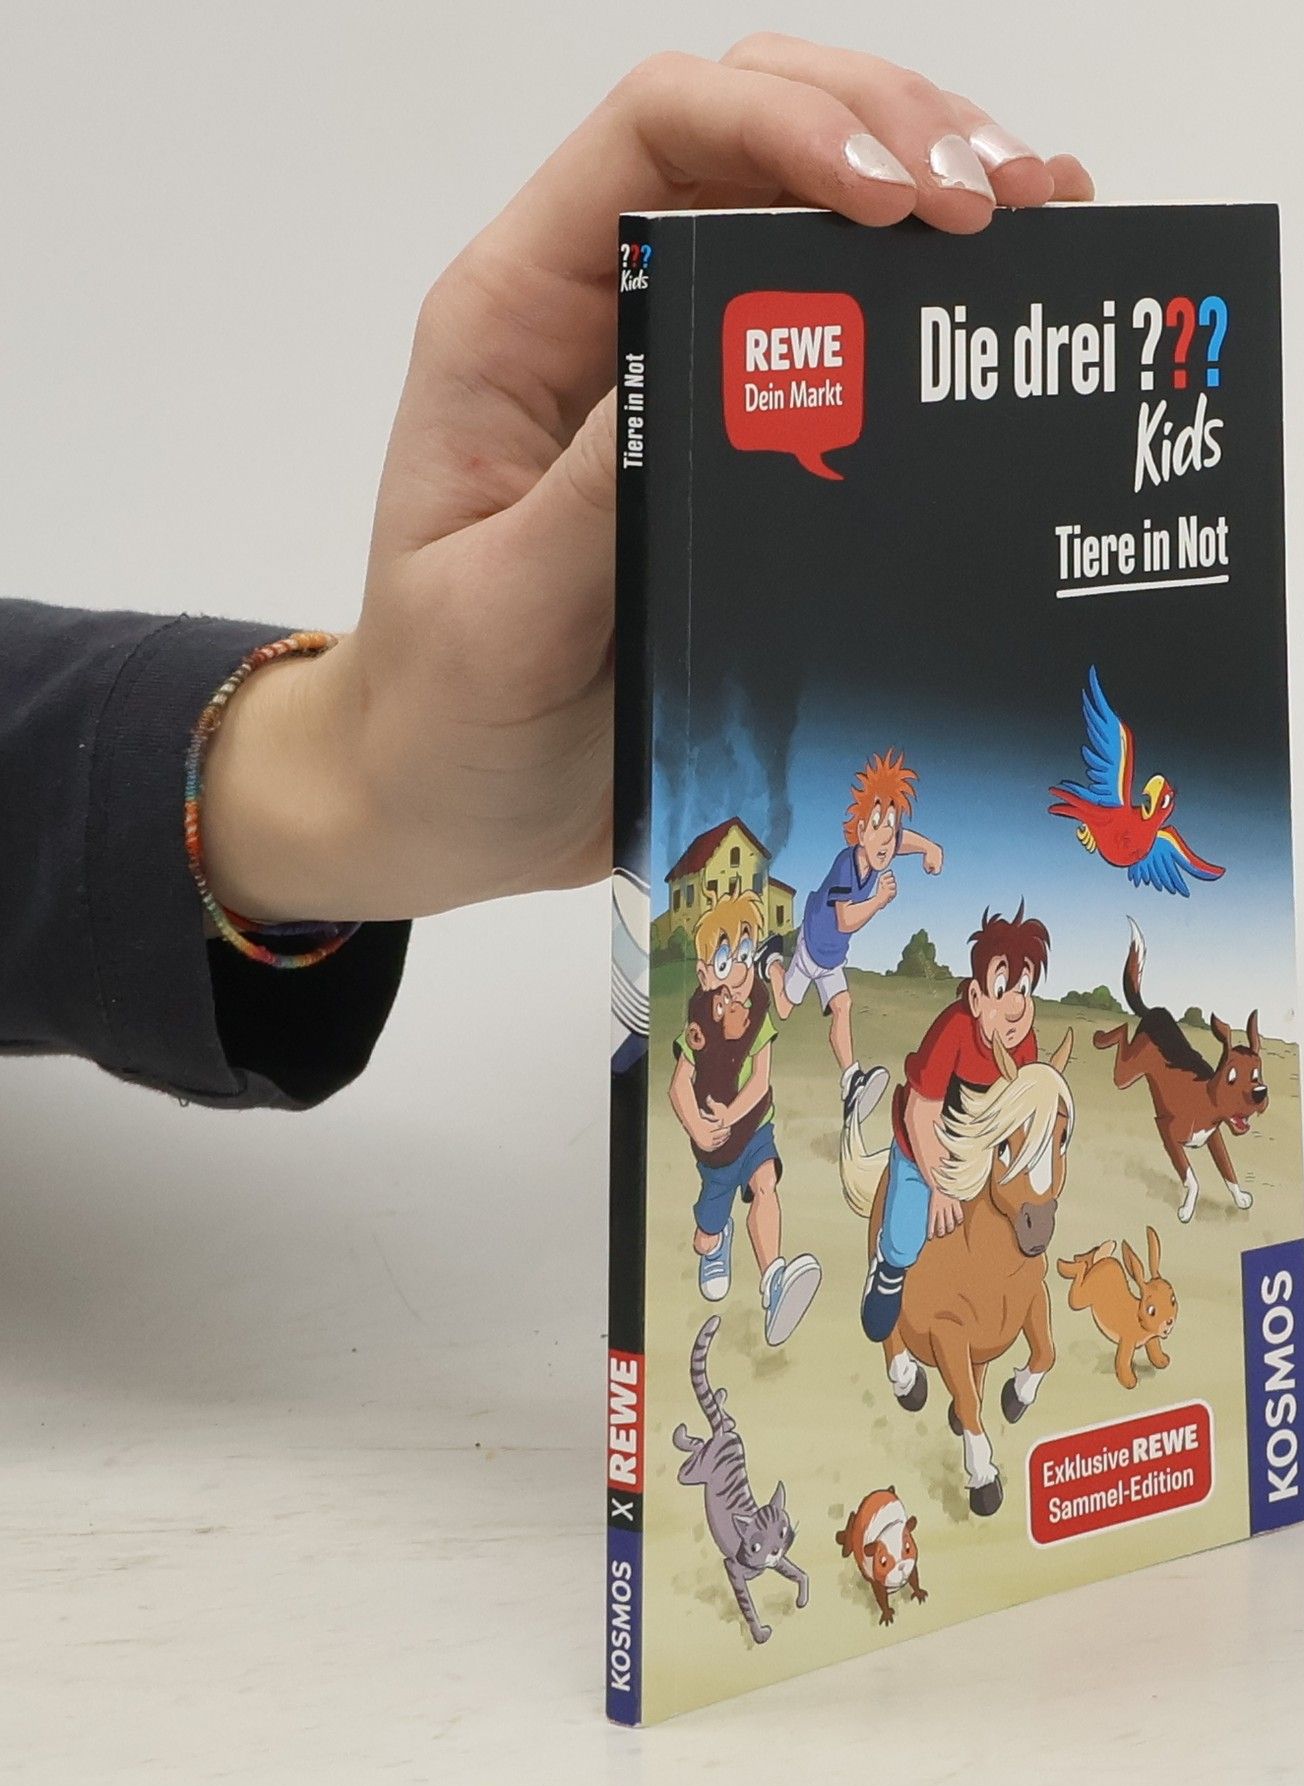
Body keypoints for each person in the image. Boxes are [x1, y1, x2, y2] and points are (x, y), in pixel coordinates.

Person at [0, 39, 1094, 1107]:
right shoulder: (834, 875)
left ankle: (832, 1081)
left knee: (813, 1013)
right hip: (795, 967)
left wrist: (353, 770)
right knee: (796, 1011)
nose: (890, 834)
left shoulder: (844, 839)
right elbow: (834, 909)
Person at [860, 906, 1051, 1341]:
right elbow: (920, 1113)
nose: (1016, 1006)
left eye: (1024, 989)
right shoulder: (953, 1031)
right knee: (907, 1232)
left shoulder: (1025, 1045)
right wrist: (941, 1187)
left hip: (979, 1150)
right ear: (977, 998)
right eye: (1002, 989)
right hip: (924, 1147)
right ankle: (888, 1272)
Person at [668, 891, 820, 1346]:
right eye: (723, 961)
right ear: (704, 973)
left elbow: (760, 1080)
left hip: (753, 1129)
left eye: (745, 954)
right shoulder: (700, 1018)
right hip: (715, 1150)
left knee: (766, 1182)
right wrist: (699, 1128)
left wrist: (734, 1116)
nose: (737, 970)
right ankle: (717, 1239)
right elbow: (679, 1085)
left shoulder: (757, 1011)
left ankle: (775, 1283)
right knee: (703, 1238)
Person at [763, 749, 943, 1124]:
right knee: (783, 1008)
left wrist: (929, 848)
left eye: (891, 827)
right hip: (812, 948)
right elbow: (844, 920)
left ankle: (850, 1082)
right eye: (877, 825)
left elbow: (900, 841)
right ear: (861, 831)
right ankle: (771, 961)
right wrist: (878, 901)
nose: (886, 837)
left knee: (843, 1006)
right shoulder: (847, 865)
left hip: (833, 957)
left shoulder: (882, 848)